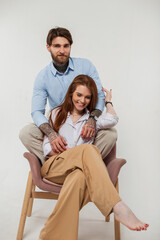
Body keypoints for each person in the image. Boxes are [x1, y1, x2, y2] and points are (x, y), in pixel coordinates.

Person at [25, 75, 148, 240]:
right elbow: (46, 147)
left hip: (78, 170)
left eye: (87, 97)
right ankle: (118, 206)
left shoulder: (92, 120)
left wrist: (108, 102)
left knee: (79, 177)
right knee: (88, 150)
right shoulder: (56, 113)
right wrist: (69, 153)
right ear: (71, 94)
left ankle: (51, 235)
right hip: (55, 167)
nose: (82, 100)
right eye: (79, 95)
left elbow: (113, 119)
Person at [19, 27, 117, 168]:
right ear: (48, 47)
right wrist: (52, 133)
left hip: (85, 122)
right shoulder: (42, 77)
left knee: (110, 134)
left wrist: (92, 119)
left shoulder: (86, 66)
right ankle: (52, 165)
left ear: (70, 46)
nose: (62, 51)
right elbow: (36, 112)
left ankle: (83, 166)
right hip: (58, 121)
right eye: (57, 46)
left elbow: (100, 95)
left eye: (66, 46)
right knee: (26, 133)